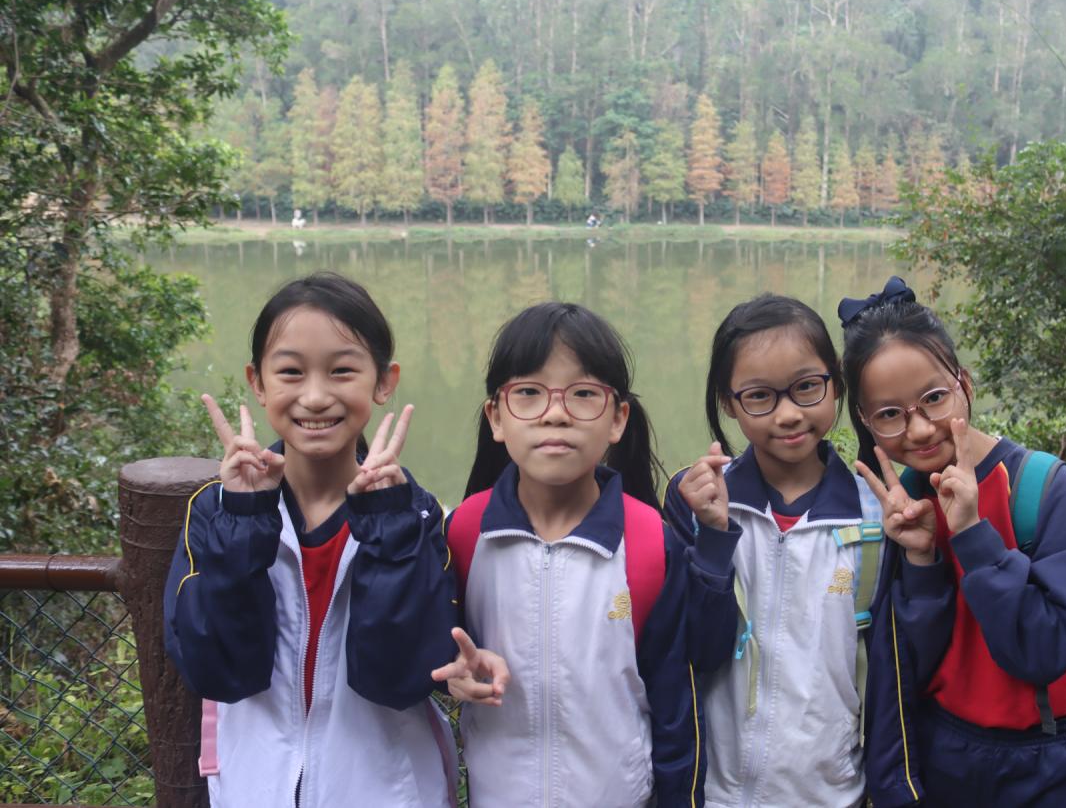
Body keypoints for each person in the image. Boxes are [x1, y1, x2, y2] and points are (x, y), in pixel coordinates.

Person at [163, 272, 501, 808]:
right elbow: (221, 673)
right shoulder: (216, 512)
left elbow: (399, 680)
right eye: (290, 372)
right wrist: (245, 521)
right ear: (257, 382)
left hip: (388, 793)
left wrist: (387, 527)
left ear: (384, 382)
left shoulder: (413, 516)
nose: (316, 396)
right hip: (256, 790)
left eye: (342, 370)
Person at [450, 302, 741, 808]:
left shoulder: (649, 541)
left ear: (617, 418)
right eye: (528, 393)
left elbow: (676, 702)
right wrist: (449, 667)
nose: (556, 413)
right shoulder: (464, 532)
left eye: (583, 394)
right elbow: (432, 646)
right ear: (496, 416)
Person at [842, 277, 1066, 808]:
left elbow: (1045, 652)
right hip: (946, 757)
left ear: (963, 383)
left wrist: (972, 535)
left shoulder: (1044, 487)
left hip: (1052, 763)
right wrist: (920, 558)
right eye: (890, 414)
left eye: (933, 399)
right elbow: (915, 663)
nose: (919, 430)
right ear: (865, 420)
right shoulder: (904, 503)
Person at [663, 294, 883, 808]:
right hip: (716, 793)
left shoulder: (874, 517)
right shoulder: (694, 500)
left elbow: (893, 671)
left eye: (806, 387)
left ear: (836, 382)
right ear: (728, 402)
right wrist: (714, 535)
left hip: (832, 794)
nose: (788, 414)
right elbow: (693, 651)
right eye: (760, 396)